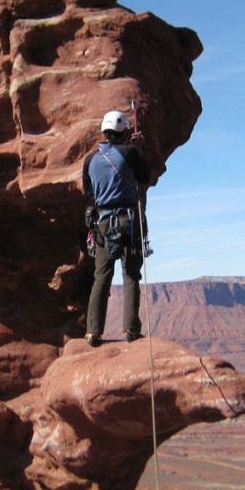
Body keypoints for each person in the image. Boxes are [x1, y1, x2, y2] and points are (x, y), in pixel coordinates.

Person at [82, 109, 150, 346]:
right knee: (131, 274)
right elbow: (145, 176)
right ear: (124, 131)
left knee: (101, 276)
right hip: (129, 221)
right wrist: (137, 150)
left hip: (103, 222)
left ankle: (93, 331)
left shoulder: (91, 159)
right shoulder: (129, 152)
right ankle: (131, 329)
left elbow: (88, 191)